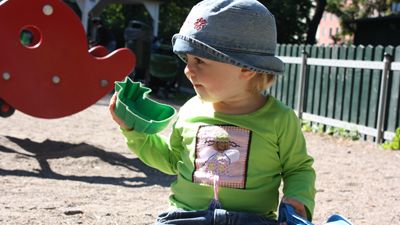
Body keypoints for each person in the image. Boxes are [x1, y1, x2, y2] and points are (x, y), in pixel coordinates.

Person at [109, 0, 316, 224]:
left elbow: (298, 168)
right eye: (187, 60)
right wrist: (134, 132)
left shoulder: (279, 119)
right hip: (187, 216)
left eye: (199, 60)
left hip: (252, 220)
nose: (188, 70)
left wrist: (298, 197)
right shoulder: (191, 110)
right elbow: (171, 159)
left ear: (245, 68)